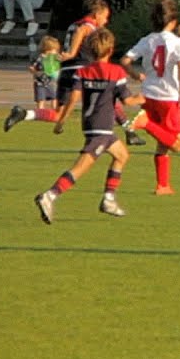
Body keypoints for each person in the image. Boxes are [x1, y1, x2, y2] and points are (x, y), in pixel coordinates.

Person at [33, 27, 145, 224]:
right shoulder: (116, 72)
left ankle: (109, 199)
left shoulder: (83, 72)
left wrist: (62, 120)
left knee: (122, 154)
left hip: (90, 124)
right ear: (111, 50)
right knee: (81, 167)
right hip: (102, 127)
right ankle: (49, 195)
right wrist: (147, 98)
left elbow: (74, 98)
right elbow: (127, 101)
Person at [3, 0, 145, 146]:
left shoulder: (73, 24)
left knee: (59, 114)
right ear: (96, 14)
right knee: (108, 97)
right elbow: (81, 32)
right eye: (105, 17)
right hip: (82, 68)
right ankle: (130, 131)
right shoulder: (88, 26)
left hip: (67, 71)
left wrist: (70, 55)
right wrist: (72, 52)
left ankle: (24, 114)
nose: (106, 21)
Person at [122, 0, 180, 195]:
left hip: (149, 95)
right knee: (179, 144)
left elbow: (125, 60)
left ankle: (162, 185)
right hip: (167, 97)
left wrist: (135, 75)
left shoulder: (147, 40)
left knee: (164, 143)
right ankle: (145, 123)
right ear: (174, 21)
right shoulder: (177, 42)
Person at [29, 35, 62, 111]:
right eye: (54, 50)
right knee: (41, 99)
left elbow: (59, 66)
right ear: (47, 49)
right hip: (40, 83)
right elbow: (32, 67)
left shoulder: (55, 58)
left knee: (54, 97)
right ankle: (40, 111)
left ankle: (55, 111)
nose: (55, 52)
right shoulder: (40, 58)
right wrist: (35, 72)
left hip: (51, 83)